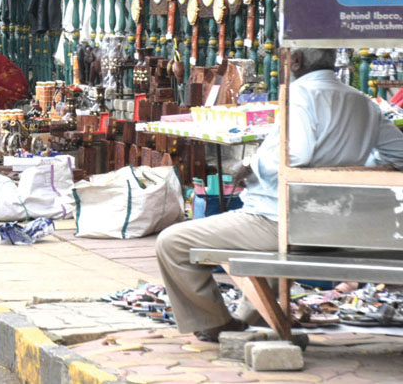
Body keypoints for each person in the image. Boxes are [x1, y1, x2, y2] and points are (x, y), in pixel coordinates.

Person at [155, 48, 403, 342]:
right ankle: (250, 320)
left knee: (171, 242)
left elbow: (297, 153)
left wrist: (249, 164)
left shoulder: (299, 95)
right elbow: (398, 153)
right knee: (255, 248)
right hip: (337, 227)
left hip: (285, 223)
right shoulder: (362, 101)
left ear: (295, 60)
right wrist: (356, 170)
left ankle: (216, 323)